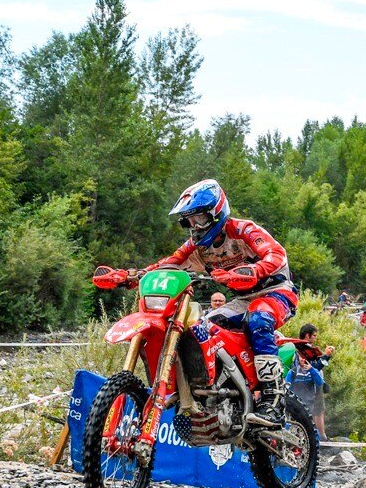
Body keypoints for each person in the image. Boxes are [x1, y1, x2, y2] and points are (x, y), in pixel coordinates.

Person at [95, 179, 298, 425]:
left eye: (199, 218)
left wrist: (255, 270)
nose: (195, 226)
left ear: (216, 212)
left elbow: (277, 254)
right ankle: (217, 392)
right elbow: (168, 264)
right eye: (189, 221)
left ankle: (273, 398)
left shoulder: (243, 230)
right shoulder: (196, 246)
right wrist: (131, 276)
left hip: (277, 292)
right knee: (201, 329)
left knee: (258, 317)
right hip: (242, 300)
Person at [294, 323, 334, 439]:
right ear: (307, 335)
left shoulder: (297, 347)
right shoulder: (303, 349)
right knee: (318, 411)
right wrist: (326, 356)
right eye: (314, 335)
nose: (316, 338)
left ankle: (313, 436)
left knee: (311, 411)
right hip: (310, 384)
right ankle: (321, 437)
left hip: (303, 384)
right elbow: (314, 367)